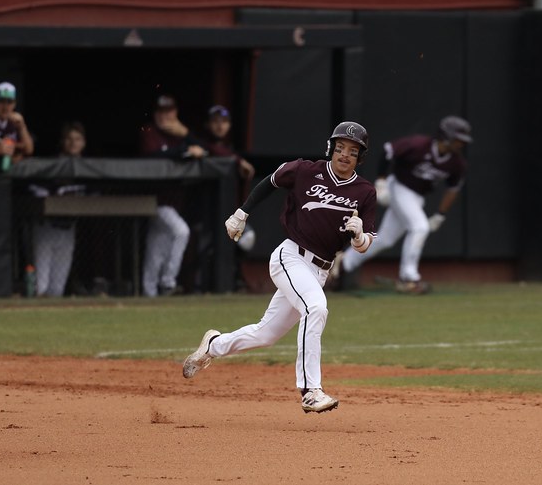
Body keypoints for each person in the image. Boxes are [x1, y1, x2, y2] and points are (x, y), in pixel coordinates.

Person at [182, 121, 377, 414]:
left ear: (360, 157)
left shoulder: (365, 191)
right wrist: (241, 213)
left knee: (266, 334)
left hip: (320, 271)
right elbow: (270, 182)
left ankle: (214, 345)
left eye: (352, 151)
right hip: (291, 257)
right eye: (340, 148)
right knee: (316, 308)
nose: (344, 155)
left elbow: (365, 244)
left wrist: (360, 235)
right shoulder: (305, 171)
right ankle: (310, 391)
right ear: (331, 149)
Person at [332, 115, 471, 294]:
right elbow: (388, 150)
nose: (461, 144)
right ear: (446, 136)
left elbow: (453, 189)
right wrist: (381, 181)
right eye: (458, 139)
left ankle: (344, 263)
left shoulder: (456, 163)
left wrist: (440, 214)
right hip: (399, 187)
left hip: (417, 197)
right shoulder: (419, 145)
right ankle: (409, 278)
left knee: (385, 239)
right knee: (420, 227)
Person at [138, 94, 201, 297]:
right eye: (161, 112)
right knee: (181, 231)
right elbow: (152, 155)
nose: (164, 116)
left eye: (169, 112)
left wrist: (187, 135)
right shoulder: (150, 131)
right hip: (153, 200)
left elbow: (204, 150)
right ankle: (167, 282)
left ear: (175, 113)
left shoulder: (180, 133)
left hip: (175, 200)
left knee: (156, 248)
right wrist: (182, 150)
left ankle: (149, 293)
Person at [29, 122, 87, 297]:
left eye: (77, 139)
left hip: (69, 228)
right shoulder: (52, 165)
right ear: (62, 142)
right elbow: (34, 188)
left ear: (83, 143)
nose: (73, 143)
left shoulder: (88, 168)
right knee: (41, 285)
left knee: (57, 287)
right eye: (69, 139)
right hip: (46, 228)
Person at [200, 104, 256, 252]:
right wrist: (238, 161)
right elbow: (212, 150)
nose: (220, 126)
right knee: (207, 247)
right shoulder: (202, 146)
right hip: (205, 209)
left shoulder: (228, 149)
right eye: (215, 121)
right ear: (208, 124)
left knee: (243, 239)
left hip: (227, 208)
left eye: (224, 122)